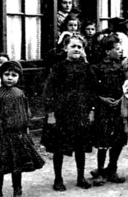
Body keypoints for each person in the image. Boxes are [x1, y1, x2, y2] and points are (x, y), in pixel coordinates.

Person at [42, 34, 97, 191]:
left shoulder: (87, 68)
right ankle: (58, 178)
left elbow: (93, 91)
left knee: (80, 146)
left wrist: (91, 110)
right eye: (73, 46)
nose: (76, 49)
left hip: (80, 113)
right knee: (59, 148)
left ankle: (80, 177)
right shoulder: (58, 68)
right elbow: (49, 91)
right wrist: (51, 113)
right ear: (65, 48)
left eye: (80, 47)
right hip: (61, 114)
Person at [0, 61, 44, 197]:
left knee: (17, 165)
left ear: (19, 77)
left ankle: (17, 189)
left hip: (18, 135)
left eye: (14, 75)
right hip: (1, 136)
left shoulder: (20, 93)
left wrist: (26, 129)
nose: (9, 78)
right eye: (6, 74)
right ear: (1, 75)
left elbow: (25, 112)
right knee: (0, 166)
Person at [91, 35, 128, 186]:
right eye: (117, 49)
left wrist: (120, 99)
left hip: (118, 106)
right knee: (103, 139)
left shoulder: (121, 67)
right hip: (103, 108)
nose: (120, 52)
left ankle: (112, 168)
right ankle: (100, 170)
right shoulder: (96, 68)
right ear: (107, 51)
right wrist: (102, 99)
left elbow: (125, 86)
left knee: (118, 139)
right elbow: (91, 89)